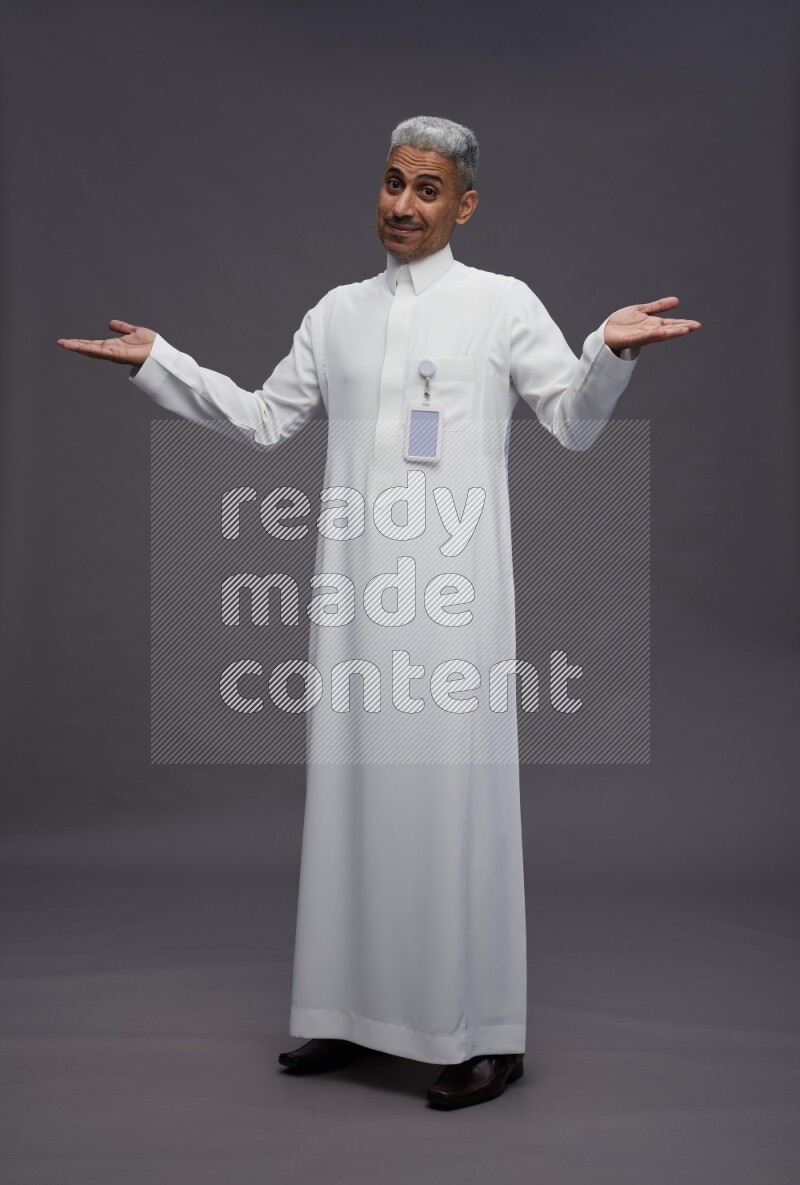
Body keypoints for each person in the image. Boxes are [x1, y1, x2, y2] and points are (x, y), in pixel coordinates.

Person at [58, 115, 700, 1110]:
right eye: (393, 182)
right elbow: (265, 420)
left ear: (465, 205)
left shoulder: (500, 304)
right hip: (355, 600)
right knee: (353, 801)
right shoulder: (337, 315)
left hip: (453, 604)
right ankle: (349, 1013)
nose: (403, 204)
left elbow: (573, 424)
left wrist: (607, 353)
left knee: (452, 807)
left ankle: (485, 1034)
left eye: (427, 189)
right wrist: (162, 362)